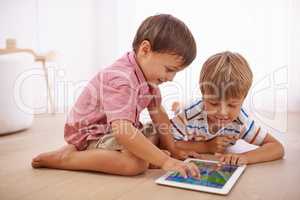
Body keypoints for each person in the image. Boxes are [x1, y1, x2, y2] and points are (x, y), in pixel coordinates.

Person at [32, 14, 201, 178]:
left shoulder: (149, 78)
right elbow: (123, 132)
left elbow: (158, 113)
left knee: (159, 130)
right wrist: (166, 161)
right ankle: (67, 158)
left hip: (117, 131)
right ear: (145, 50)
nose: (170, 78)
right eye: (169, 70)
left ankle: (147, 156)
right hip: (92, 134)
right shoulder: (121, 78)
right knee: (135, 164)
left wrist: (173, 150)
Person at [170, 51, 285, 165]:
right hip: (189, 110)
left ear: (243, 99)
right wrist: (206, 146)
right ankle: (178, 105)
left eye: (232, 105)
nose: (222, 112)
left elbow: (277, 148)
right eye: (214, 103)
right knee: (180, 109)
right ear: (203, 95)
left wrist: (245, 157)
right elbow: (169, 142)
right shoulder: (190, 113)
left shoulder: (241, 120)